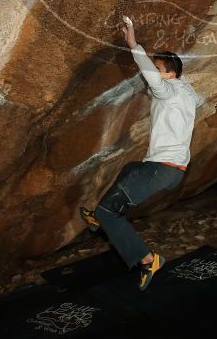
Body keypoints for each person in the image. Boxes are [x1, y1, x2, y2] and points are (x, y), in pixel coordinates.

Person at [80, 16, 204, 290]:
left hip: (161, 169)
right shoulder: (188, 93)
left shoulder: (169, 90)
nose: (153, 75)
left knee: (109, 212)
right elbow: (198, 98)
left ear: (170, 74)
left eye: (159, 69)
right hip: (171, 171)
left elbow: (151, 75)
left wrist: (134, 44)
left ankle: (148, 259)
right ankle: (97, 218)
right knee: (129, 170)